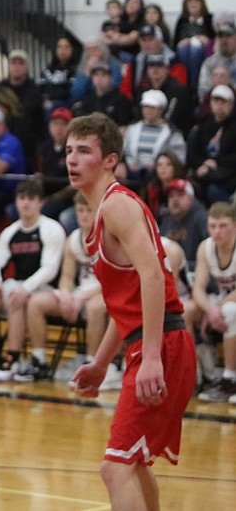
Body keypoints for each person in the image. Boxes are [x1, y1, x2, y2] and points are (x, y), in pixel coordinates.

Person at [65, 112, 195, 510]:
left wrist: (153, 356)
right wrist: (102, 363)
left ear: (110, 160)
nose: (72, 159)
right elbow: (128, 303)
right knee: (132, 462)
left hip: (162, 344)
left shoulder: (116, 206)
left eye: (84, 151)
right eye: (68, 150)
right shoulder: (103, 212)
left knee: (115, 467)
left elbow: (153, 277)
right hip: (156, 341)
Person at [0, 179, 65, 381]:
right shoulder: (10, 232)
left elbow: (50, 269)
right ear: (16, 201)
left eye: (31, 199)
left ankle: (13, 358)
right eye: (22, 198)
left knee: (17, 296)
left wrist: (25, 288)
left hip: (45, 287)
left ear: (41, 203)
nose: (26, 203)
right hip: (18, 283)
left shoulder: (51, 229)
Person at [21, 193, 116, 386]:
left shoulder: (109, 238)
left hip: (106, 292)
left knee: (95, 308)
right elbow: (66, 276)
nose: (83, 215)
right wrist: (66, 295)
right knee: (36, 302)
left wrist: (80, 297)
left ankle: (92, 364)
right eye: (80, 210)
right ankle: (39, 361)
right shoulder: (73, 239)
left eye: (88, 210)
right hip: (81, 293)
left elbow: (111, 280)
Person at [190, 202, 236, 403]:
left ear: (234, 225)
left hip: (227, 303)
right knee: (185, 311)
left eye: (223, 225)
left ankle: (229, 379)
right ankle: (195, 375)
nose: (216, 231)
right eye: (212, 226)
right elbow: (198, 288)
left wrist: (215, 309)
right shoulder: (205, 248)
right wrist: (209, 309)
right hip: (222, 301)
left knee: (229, 310)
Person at [117, 90, 187, 183]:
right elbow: (124, 151)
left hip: (157, 176)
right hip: (132, 172)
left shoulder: (172, 132)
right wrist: (126, 164)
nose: (148, 110)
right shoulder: (132, 129)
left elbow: (179, 158)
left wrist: (159, 165)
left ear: (161, 110)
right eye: (146, 106)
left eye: (153, 107)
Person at [186, 84, 236, 204]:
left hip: (228, 174)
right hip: (204, 172)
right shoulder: (202, 126)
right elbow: (192, 156)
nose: (219, 105)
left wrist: (216, 163)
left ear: (231, 105)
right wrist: (203, 163)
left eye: (223, 102)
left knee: (214, 191)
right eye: (216, 101)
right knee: (190, 188)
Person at [71, 61, 134, 127]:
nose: (99, 78)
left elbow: (125, 123)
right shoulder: (88, 100)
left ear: (110, 78)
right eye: (96, 75)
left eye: (103, 75)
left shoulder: (120, 99)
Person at [199, 21, 236, 103]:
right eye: (220, 36)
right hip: (215, 106)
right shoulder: (209, 63)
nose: (224, 40)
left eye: (228, 36)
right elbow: (203, 91)